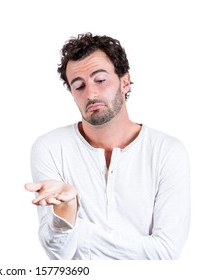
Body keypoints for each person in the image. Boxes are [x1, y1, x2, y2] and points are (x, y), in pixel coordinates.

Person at [24, 33, 190, 260]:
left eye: (100, 80)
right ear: (72, 95)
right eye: (79, 86)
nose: (91, 94)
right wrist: (66, 209)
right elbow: (59, 253)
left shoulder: (168, 151)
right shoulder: (50, 147)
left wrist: (76, 227)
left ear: (124, 81)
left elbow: (165, 253)